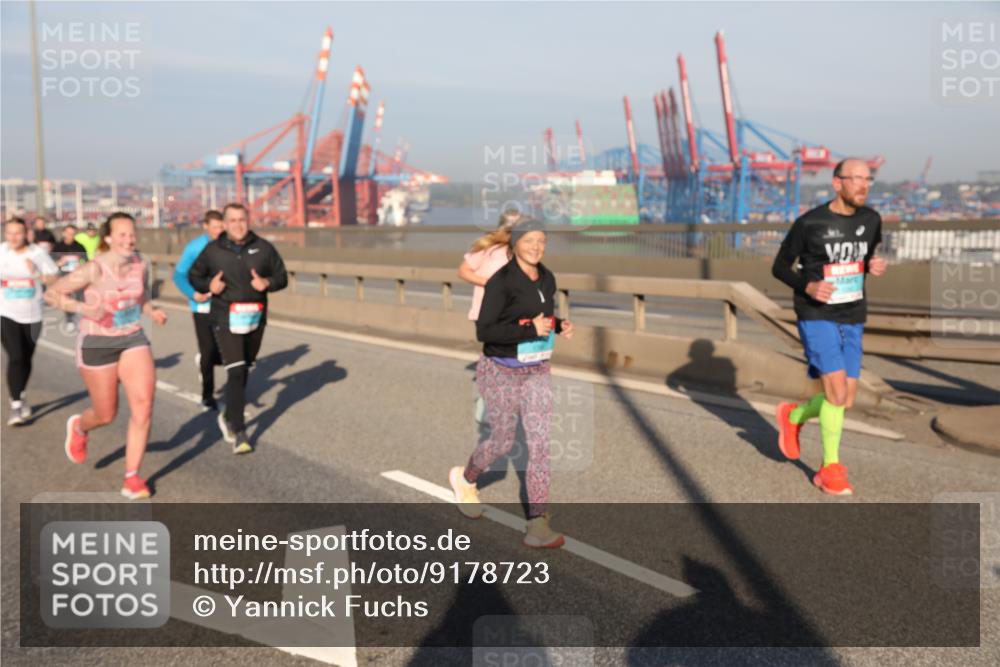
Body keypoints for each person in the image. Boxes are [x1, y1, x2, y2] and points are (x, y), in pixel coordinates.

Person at [448, 219, 574, 548]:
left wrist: (558, 325)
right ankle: (465, 478)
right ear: (515, 243)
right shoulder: (499, 282)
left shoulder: (547, 277)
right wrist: (530, 330)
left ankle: (538, 523)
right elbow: (485, 333)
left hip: (536, 370)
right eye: (529, 240)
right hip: (500, 369)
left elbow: (541, 317)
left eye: (541, 240)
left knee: (540, 445)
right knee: (503, 442)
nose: (536, 246)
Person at [772, 158, 886, 496]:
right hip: (815, 312)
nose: (864, 186)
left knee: (845, 399)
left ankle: (794, 416)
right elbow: (780, 267)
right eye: (857, 179)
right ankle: (829, 469)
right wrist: (807, 286)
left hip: (852, 314)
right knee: (835, 393)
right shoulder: (810, 223)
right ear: (837, 183)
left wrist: (872, 264)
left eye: (869, 180)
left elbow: (862, 259)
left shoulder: (872, 220)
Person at [44, 212, 168, 499]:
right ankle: (79, 427)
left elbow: (140, 297)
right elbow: (52, 294)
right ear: (109, 238)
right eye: (121, 234)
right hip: (97, 342)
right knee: (105, 414)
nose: (129, 239)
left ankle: (132, 477)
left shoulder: (140, 263)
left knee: (143, 405)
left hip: (132, 336)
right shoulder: (94, 269)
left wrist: (152, 311)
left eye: (131, 234)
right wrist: (84, 309)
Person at [188, 203, 288, 454]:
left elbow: (282, 277)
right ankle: (239, 429)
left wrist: (267, 282)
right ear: (225, 223)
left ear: (248, 220)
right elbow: (194, 276)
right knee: (235, 371)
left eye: (241, 219)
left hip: (255, 320)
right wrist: (209, 285)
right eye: (232, 220)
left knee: (245, 369)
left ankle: (229, 413)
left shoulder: (264, 248)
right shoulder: (213, 251)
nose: (238, 224)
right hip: (225, 318)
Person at [458, 208, 521, 422]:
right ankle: (487, 406)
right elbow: (464, 271)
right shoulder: (490, 249)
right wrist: (491, 284)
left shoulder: (522, 251)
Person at [1, 217, 59, 425]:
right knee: (15, 357)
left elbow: (54, 278)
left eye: (17, 233)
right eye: (9, 233)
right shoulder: (2, 252)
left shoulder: (37, 254)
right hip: (6, 313)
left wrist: (36, 272)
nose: (13, 237)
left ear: (26, 233)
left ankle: (21, 393)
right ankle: (16, 405)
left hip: (33, 314)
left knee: (26, 359)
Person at [173, 210, 225, 410]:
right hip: (201, 306)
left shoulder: (228, 246)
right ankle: (207, 396)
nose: (219, 230)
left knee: (228, 351)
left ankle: (207, 360)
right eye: (215, 226)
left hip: (224, 306)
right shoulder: (195, 247)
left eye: (221, 226)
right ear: (205, 226)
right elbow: (178, 276)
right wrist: (193, 294)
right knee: (208, 350)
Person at [51, 224, 89, 333]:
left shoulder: (79, 246)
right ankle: (70, 320)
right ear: (64, 233)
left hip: (77, 277)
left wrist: (81, 265)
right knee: (67, 299)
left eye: (73, 234)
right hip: (63, 277)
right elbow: (50, 262)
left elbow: (86, 261)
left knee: (79, 298)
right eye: (68, 233)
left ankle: (80, 319)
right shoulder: (57, 247)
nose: (70, 236)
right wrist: (58, 263)